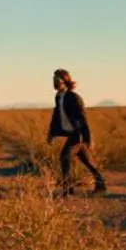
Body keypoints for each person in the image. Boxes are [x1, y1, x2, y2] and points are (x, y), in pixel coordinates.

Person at [46, 68, 107, 196]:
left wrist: (89, 138)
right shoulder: (58, 97)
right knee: (87, 161)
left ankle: (68, 191)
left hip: (77, 135)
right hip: (71, 134)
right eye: (53, 79)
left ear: (64, 81)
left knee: (64, 158)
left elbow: (83, 118)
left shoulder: (73, 97)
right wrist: (51, 134)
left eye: (56, 79)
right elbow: (56, 116)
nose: (54, 82)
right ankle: (101, 185)